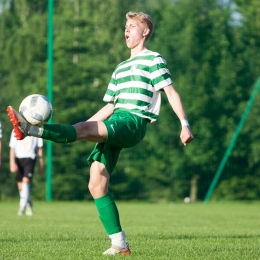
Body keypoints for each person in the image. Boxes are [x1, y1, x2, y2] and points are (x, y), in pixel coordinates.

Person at [7, 11, 193, 254]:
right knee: (96, 184)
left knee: (81, 130)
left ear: (145, 32)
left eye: (132, 26)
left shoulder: (154, 59)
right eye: (125, 26)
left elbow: (170, 92)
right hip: (117, 119)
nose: (126, 30)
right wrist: (81, 130)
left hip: (133, 122)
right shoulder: (120, 68)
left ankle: (29, 129)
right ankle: (120, 243)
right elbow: (110, 106)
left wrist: (184, 123)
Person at [9, 130, 44, 216]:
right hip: (19, 158)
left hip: (30, 158)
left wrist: (41, 163)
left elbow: (39, 148)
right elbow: (12, 148)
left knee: (26, 182)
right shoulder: (15, 129)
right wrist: (12, 163)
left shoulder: (36, 129)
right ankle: (28, 204)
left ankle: (22, 207)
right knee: (21, 187)